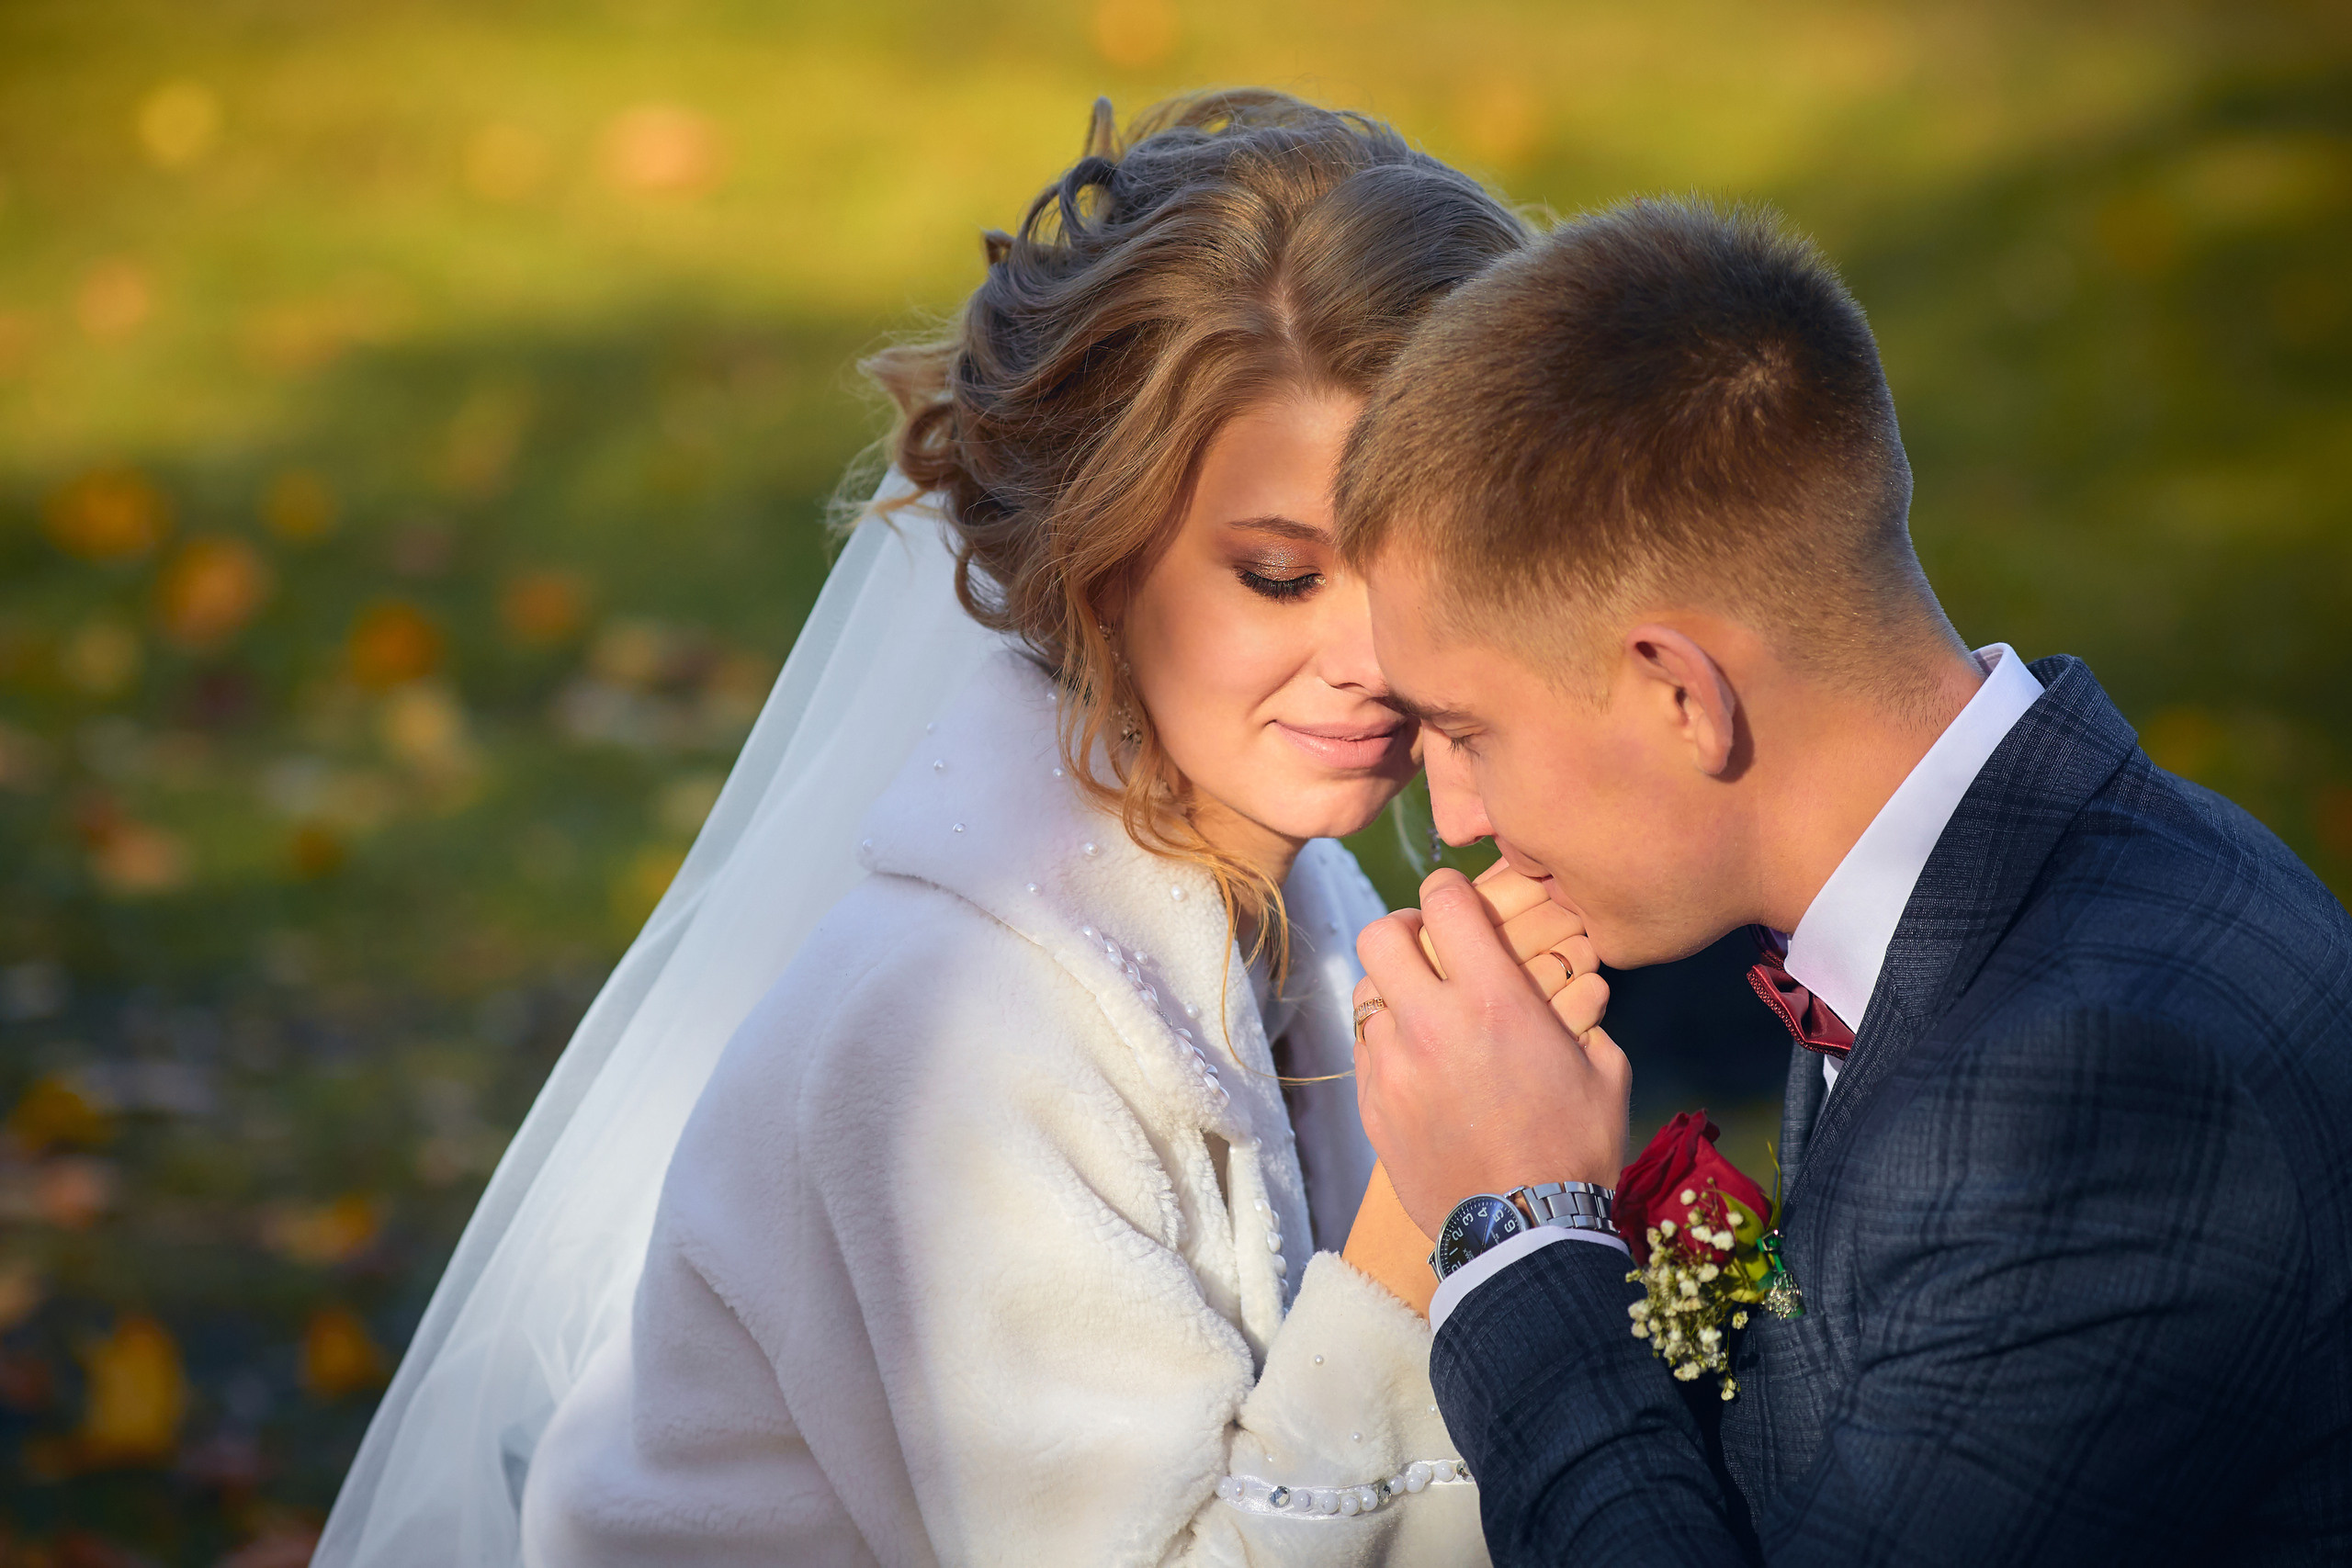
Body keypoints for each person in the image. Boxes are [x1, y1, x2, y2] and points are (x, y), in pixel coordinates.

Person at [314, 91, 1600, 1568]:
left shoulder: (1306, 907)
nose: (1371, 657)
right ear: (1100, 553)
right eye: (1277, 574)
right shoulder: (953, 1032)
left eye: (1425, 566)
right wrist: (1455, 1213)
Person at [1335, 199, 2352, 1565]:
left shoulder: (2102, 1104)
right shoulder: (2007, 902)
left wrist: (1514, 1220)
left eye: (1467, 733)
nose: (1453, 820)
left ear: (1681, 694)